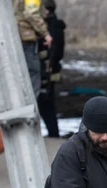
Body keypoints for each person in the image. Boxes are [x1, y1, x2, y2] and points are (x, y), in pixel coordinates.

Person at [13, 0, 52, 98]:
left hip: (13, 36)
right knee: (33, 72)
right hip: (25, 37)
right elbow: (32, 13)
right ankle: (30, 104)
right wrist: (46, 34)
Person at [37, 0, 65, 138]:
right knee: (47, 105)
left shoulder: (51, 27)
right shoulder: (55, 26)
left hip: (46, 72)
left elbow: (55, 52)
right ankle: (53, 133)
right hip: (48, 72)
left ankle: (53, 134)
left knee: (45, 104)